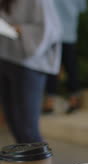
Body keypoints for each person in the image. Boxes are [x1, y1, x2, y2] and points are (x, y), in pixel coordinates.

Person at [0, 0, 61, 143]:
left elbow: (50, 30)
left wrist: (18, 29)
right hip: (5, 59)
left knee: (28, 128)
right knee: (14, 123)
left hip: (29, 65)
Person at [44, 0, 87, 114]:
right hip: (69, 33)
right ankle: (73, 101)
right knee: (71, 68)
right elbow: (82, 8)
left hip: (54, 35)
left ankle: (50, 103)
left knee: (52, 69)